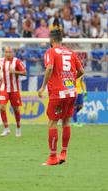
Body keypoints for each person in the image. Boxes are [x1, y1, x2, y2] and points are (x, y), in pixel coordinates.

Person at [38, 30, 85, 166]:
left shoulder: (50, 52)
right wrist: (70, 79)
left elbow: (49, 68)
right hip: (71, 92)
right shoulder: (71, 52)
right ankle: (63, 153)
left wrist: (42, 87)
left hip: (58, 93)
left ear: (51, 40)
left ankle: (53, 157)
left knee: (52, 123)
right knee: (66, 122)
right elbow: (82, 71)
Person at [0, 46, 26, 137]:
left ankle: (18, 128)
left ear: (12, 53)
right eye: (6, 52)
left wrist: (15, 72)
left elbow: (24, 72)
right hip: (3, 88)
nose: (7, 54)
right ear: (4, 53)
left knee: (16, 109)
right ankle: (6, 128)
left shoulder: (17, 61)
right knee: (2, 107)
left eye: (9, 52)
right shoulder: (0, 61)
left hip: (14, 89)